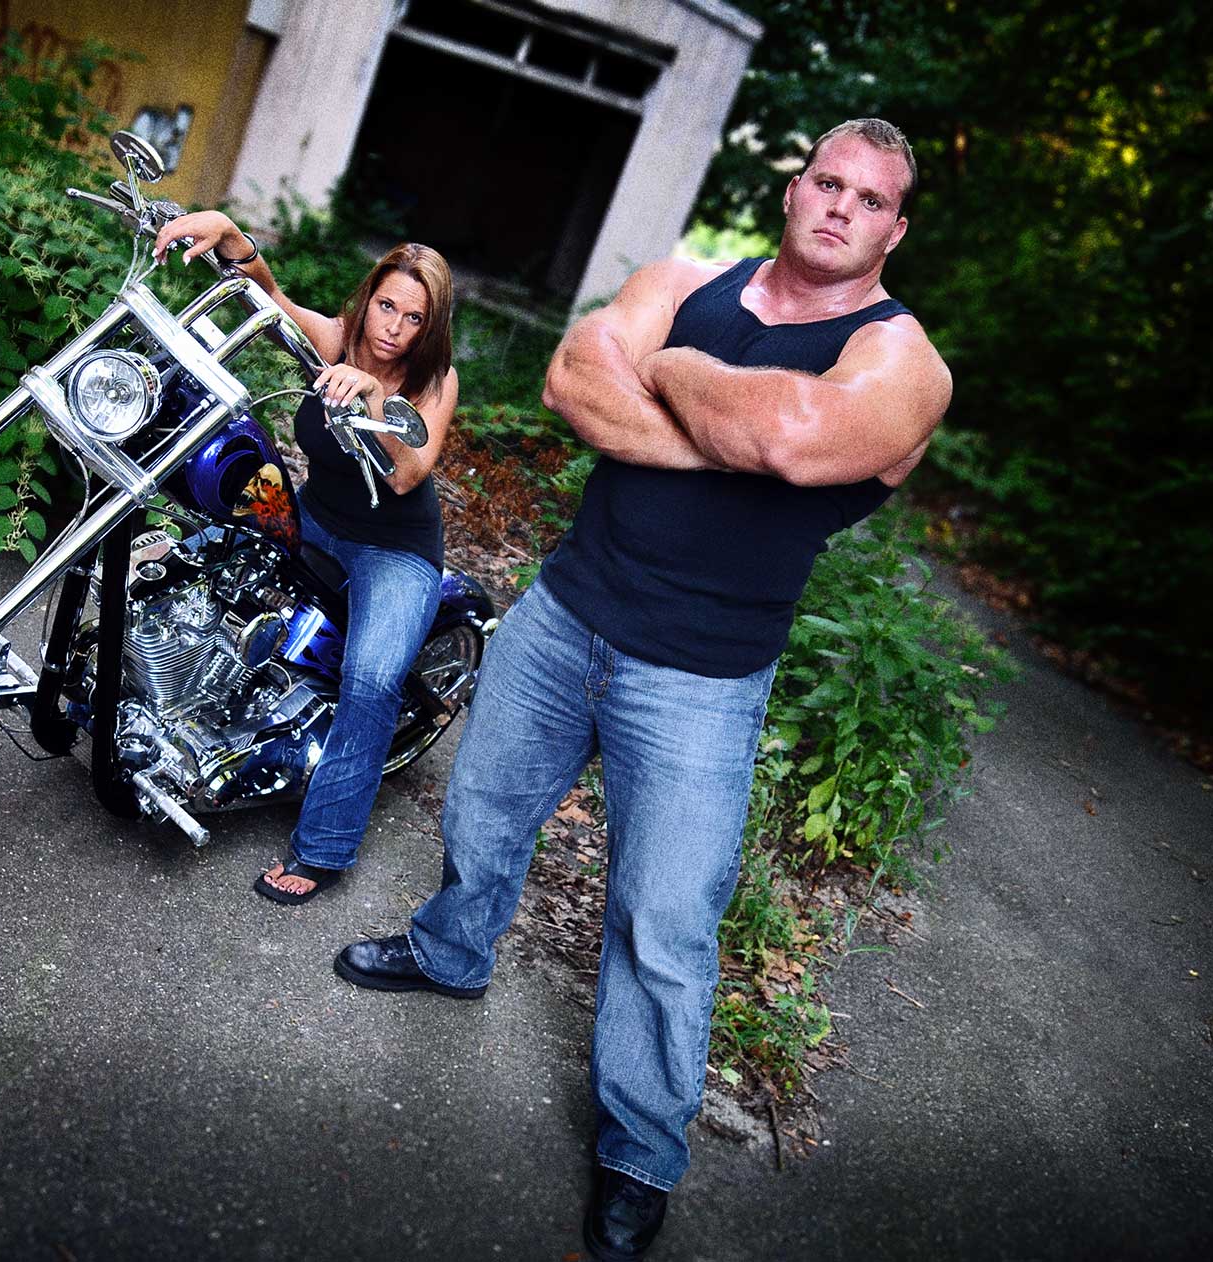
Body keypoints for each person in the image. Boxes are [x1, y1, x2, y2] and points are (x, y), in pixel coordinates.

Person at [328, 119, 951, 1261]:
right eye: (825, 181)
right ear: (792, 186)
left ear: (892, 229)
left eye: (867, 200)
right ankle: (451, 951)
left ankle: (636, 1147)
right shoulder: (685, 277)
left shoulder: (901, 362)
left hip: (702, 680)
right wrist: (730, 431)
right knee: (482, 811)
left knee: (663, 922)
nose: (838, 207)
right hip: (566, 616)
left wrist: (666, 368)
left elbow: (801, 440)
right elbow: (575, 377)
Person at [152, 210, 461, 906]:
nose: (393, 327)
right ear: (369, 297)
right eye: (387, 305)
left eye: (414, 318)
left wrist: (378, 394)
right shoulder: (338, 340)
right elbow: (270, 301)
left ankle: (323, 848)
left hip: (396, 549)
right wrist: (233, 237)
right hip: (316, 519)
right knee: (203, 560)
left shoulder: (434, 381)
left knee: (372, 679)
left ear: (430, 328)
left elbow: (409, 474)